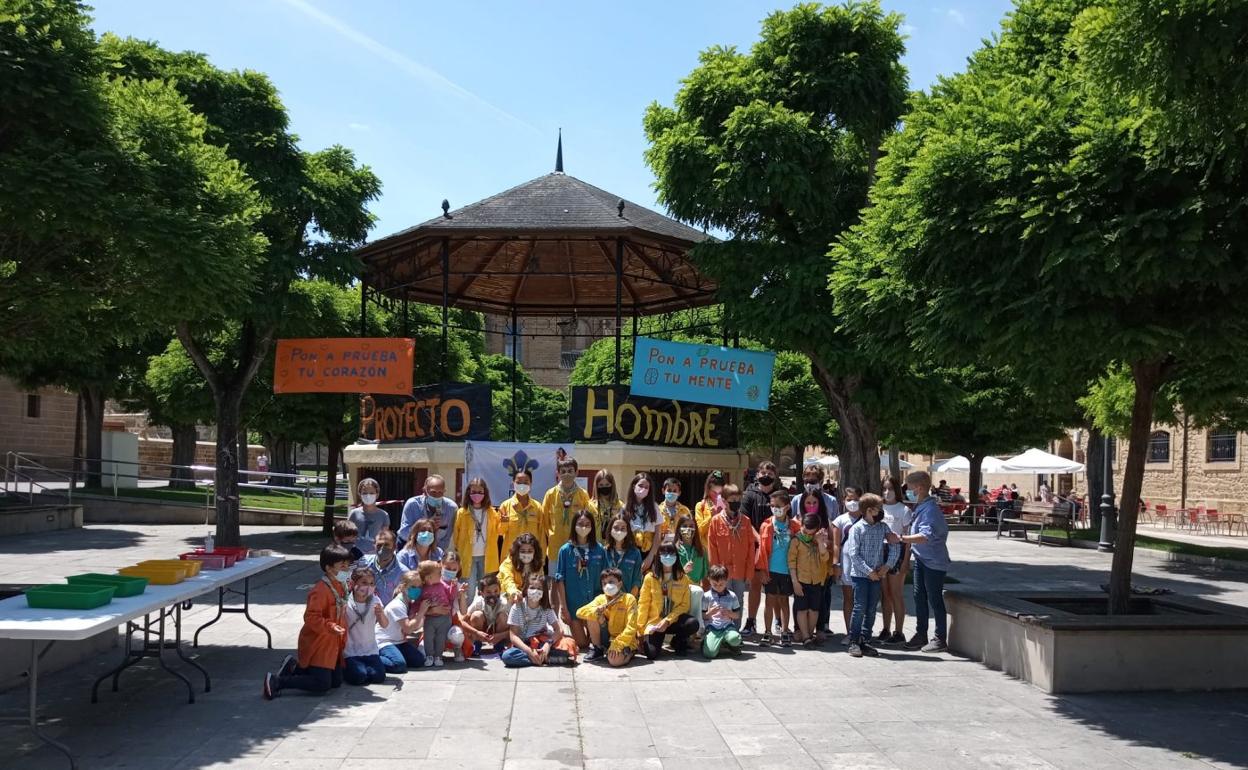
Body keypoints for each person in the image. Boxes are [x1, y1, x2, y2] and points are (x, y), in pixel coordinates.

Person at [263, 544, 350, 699]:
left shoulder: (341, 586)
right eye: (342, 565)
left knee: (336, 681)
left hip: (333, 643)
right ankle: (278, 681)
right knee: (322, 684)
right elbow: (311, 618)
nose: (346, 569)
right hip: (319, 642)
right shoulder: (320, 590)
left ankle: (295, 668)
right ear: (329, 568)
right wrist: (330, 626)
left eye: (347, 564)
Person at [899, 470, 952, 653]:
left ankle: (940, 638)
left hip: (933, 562)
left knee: (934, 598)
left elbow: (925, 536)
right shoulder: (921, 507)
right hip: (922, 559)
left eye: (910, 488)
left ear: (919, 488)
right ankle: (921, 634)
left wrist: (902, 539)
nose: (908, 491)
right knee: (919, 597)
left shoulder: (929, 510)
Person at [845, 493, 902, 658]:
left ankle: (865, 639)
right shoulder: (857, 528)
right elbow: (853, 554)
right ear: (869, 510)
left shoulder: (883, 527)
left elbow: (894, 545)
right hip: (861, 576)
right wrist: (868, 571)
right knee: (859, 607)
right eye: (879, 509)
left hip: (878, 575)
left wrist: (887, 566)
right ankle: (854, 641)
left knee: (871, 609)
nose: (881, 512)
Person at [554, 510, 606, 649]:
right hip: (574, 606)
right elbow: (560, 580)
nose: (584, 527)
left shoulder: (599, 549)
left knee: (599, 641)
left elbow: (606, 577)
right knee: (582, 644)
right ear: (574, 526)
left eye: (587, 524)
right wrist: (564, 608)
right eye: (580, 524)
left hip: (594, 605)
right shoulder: (565, 550)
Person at [740, 460, 780, 637]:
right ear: (757, 475)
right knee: (755, 585)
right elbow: (745, 521)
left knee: (776, 586)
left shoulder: (781, 495)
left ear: (775, 476)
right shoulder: (749, 494)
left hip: (777, 548)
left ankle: (779, 621)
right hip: (756, 547)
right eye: (763, 473)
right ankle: (751, 622)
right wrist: (760, 539)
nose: (766, 476)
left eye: (770, 474)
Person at [636, 541, 697, 658]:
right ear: (658, 557)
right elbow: (643, 604)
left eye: (671, 553)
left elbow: (684, 605)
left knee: (692, 623)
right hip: (655, 622)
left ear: (676, 556)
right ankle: (656, 639)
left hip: (674, 620)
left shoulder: (682, 578)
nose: (667, 557)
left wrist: (668, 620)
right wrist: (640, 631)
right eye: (663, 553)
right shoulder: (650, 578)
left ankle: (678, 641)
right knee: (651, 654)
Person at [501, 573, 578, 667]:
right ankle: (544, 659)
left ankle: (541, 657)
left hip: (542, 643)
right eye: (532, 588)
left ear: (544, 592)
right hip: (524, 645)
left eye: (539, 589)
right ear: (526, 589)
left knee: (568, 644)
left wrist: (547, 645)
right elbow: (513, 636)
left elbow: (559, 630)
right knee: (507, 656)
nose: (535, 591)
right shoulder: (517, 607)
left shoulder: (546, 608)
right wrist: (529, 652)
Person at [755, 488, 798, 646]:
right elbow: (761, 550)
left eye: (778, 505)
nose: (775, 508)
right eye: (772, 505)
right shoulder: (766, 525)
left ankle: (785, 631)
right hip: (770, 570)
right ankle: (767, 631)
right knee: (769, 601)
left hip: (786, 571)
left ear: (787, 506)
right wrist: (762, 570)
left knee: (784, 601)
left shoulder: (794, 526)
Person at [706, 483, 756, 614]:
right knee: (722, 600)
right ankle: (721, 628)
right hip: (723, 572)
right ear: (723, 501)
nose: (736, 503)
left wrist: (749, 573)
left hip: (740, 571)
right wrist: (716, 571)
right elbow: (712, 548)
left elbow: (751, 548)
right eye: (732, 501)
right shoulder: (716, 521)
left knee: (738, 600)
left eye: (739, 500)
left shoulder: (745, 521)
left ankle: (736, 631)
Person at [576, 567, 639, 666]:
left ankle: (630, 652)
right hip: (607, 639)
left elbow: (631, 627)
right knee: (592, 615)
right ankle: (598, 649)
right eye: (604, 583)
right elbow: (579, 612)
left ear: (620, 584)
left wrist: (617, 644)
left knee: (614, 661)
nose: (607, 585)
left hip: (623, 640)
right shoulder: (600, 599)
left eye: (611, 582)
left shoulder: (629, 599)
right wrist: (596, 611)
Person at [452, 476, 501, 600]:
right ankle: (466, 615)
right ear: (468, 493)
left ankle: (485, 616)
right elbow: (456, 536)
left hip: (487, 556)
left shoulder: (492, 512)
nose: (477, 495)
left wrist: (505, 522)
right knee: (468, 590)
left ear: (485, 493)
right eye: (473, 492)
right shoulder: (462, 512)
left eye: (480, 492)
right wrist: (461, 551)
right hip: (468, 557)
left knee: (486, 589)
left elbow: (500, 532)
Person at [878, 477, 913, 645]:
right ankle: (885, 628)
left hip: (897, 551)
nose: (887, 492)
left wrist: (906, 560)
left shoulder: (904, 510)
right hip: (880, 552)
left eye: (890, 489)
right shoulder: (879, 508)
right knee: (885, 594)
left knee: (896, 593)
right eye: (884, 489)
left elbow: (908, 538)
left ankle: (899, 631)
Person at [789, 512, 831, 646]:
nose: (807, 535)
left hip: (817, 580)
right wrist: (795, 582)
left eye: (811, 533)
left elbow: (825, 558)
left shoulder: (819, 538)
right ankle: (806, 637)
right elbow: (791, 562)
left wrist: (820, 542)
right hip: (801, 580)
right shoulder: (797, 540)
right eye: (805, 531)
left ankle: (809, 633)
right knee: (802, 609)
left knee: (814, 610)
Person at [342, 566, 388, 685]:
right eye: (364, 583)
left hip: (370, 650)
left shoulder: (375, 600)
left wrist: (380, 614)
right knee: (359, 677)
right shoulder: (346, 602)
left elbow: (384, 624)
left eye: (371, 583)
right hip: (351, 651)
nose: (368, 586)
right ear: (353, 583)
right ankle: (349, 669)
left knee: (379, 677)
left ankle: (366, 669)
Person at [376, 569, 426, 673]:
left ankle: (395, 655)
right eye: (413, 587)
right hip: (385, 641)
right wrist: (421, 612)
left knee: (419, 660)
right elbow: (408, 629)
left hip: (399, 641)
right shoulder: (397, 605)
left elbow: (414, 626)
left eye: (419, 587)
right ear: (403, 587)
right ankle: (372, 659)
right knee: (399, 665)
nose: (417, 590)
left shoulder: (409, 602)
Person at [830, 485, 863, 644]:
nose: (852, 502)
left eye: (856, 499)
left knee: (862, 599)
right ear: (843, 501)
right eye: (849, 499)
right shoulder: (840, 520)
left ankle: (862, 631)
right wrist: (835, 563)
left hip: (864, 564)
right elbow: (836, 544)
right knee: (848, 598)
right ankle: (850, 632)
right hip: (846, 563)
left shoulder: (867, 518)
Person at [544, 457, 590, 567]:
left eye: (570, 471)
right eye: (563, 472)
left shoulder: (583, 495)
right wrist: (552, 535)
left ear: (576, 472)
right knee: (555, 580)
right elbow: (545, 521)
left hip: (577, 546)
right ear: (558, 473)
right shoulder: (550, 494)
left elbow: (587, 520)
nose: (566, 474)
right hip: (555, 547)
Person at [398, 474, 458, 551]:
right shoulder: (412, 504)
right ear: (425, 491)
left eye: (440, 492)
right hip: (409, 547)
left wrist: (434, 553)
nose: (437, 496)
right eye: (433, 492)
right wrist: (427, 525)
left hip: (435, 550)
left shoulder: (451, 508)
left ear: (444, 491)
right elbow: (404, 532)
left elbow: (446, 538)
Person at [497, 470, 548, 561]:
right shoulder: (505, 506)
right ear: (513, 483)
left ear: (531, 484)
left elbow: (541, 536)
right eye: (519, 482)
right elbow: (499, 533)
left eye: (525, 482)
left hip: (532, 558)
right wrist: (504, 522)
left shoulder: (537, 507)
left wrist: (542, 558)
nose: (522, 485)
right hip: (511, 558)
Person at [413, 559, 455, 668]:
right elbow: (417, 605)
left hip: (444, 618)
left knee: (441, 637)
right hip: (429, 619)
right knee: (428, 637)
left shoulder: (442, 585)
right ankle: (429, 656)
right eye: (439, 573)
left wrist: (454, 587)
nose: (441, 575)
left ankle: (438, 656)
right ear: (429, 578)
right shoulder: (421, 590)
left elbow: (450, 596)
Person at [700, 564, 743, 659]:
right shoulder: (706, 596)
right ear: (709, 580)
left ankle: (729, 643)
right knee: (709, 654)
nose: (718, 587)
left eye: (721, 584)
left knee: (735, 639)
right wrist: (709, 613)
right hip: (712, 628)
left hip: (727, 627)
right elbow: (702, 616)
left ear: (726, 581)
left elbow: (737, 615)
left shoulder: (732, 596)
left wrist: (729, 613)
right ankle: (710, 642)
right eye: (715, 584)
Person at [462, 574, 511, 653]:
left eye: (496, 591)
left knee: (504, 616)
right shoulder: (478, 602)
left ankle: (499, 644)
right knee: (476, 615)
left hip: (498, 631)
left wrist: (501, 635)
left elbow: (516, 627)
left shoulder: (504, 603)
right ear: (482, 593)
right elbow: (463, 621)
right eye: (488, 592)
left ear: (500, 591)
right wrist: (476, 632)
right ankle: (476, 643)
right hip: (482, 631)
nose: (493, 595)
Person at [625, 472, 661, 571]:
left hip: (649, 554)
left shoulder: (654, 507)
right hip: (630, 554)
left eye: (646, 487)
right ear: (633, 486)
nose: (643, 489)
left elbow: (658, 535)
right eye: (640, 485)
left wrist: (650, 557)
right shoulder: (625, 508)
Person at [603, 513, 645, 595]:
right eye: (616, 528)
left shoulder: (635, 553)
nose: (619, 531)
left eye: (623, 529)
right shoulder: (604, 551)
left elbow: (636, 582)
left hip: (626, 602)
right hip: (605, 602)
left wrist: (628, 603)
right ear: (610, 529)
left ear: (627, 531)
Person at [498, 532, 545, 603]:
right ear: (517, 551)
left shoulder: (537, 563)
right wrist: (514, 592)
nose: (526, 554)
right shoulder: (508, 563)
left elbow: (538, 583)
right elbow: (507, 580)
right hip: (506, 596)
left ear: (535, 552)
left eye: (530, 551)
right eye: (523, 551)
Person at [347, 477, 390, 556]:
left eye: (371, 493)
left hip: (375, 554)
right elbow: (347, 534)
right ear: (360, 495)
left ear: (377, 494)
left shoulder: (383, 515)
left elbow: (385, 537)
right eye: (364, 493)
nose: (368, 496)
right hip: (355, 554)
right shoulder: (354, 514)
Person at [792, 462, 839, 530]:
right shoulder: (796, 500)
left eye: (813, 481)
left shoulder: (831, 501)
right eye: (806, 482)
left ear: (821, 481)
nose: (809, 485)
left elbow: (836, 525)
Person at [364, 529, 404, 606]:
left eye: (386, 545)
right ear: (374, 546)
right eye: (379, 545)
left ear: (394, 547)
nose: (382, 548)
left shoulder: (403, 573)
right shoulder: (363, 563)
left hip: (387, 615)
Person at [588, 469, 624, 539]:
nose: (604, 487)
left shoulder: (620, 506)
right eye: (601, 485)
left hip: (613, 545)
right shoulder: (590, 506)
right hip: (595, 546)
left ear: (612, 485)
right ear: (597, 486)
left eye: (607, 484)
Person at [694, 470, 726, 547]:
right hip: (706, 550)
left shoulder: (727, 504)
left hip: (724, 549)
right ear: (708, 489)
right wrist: (711, 517)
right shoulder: (701, 505)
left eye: (720, 492)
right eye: (714, 492)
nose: (717, 494)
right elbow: (699, 531)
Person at [675, 514, 707, 586]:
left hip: (696, 590)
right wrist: (683, 571)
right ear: (679, 529)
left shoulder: (701, 549)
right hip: (678, 589)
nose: (688, 529)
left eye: (691, 526)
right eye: (685, 526)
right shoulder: (674, 549)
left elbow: (705, 575)